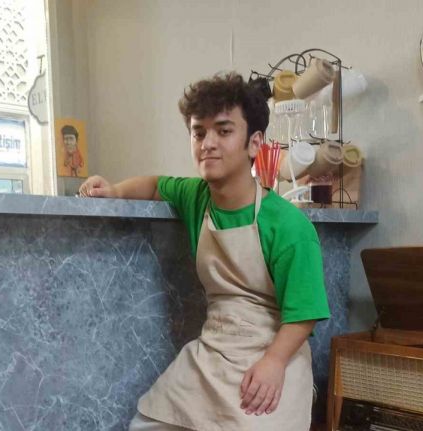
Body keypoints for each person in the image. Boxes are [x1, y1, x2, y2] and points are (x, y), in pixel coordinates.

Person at [79, 73, 330, 431]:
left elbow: (304, 313)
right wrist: (115, 190)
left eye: (224, 131)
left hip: (272, 355)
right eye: (199, 133)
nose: (208, 143)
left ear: (254, 143)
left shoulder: (290, 226)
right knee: (147, 424)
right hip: (214, 350)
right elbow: (155, 185)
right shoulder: (196, 197)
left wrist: (274, 363)